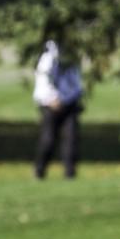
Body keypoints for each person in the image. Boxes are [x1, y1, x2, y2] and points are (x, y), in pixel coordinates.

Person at [32, 40, 84, 179]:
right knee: (48, 140)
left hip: (70, 103)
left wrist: (74, 97)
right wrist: (52, 99)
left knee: (71, 140)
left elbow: (76, 81)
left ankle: (70, 173)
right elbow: (45, 81)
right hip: (50, 105)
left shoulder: (71, 60)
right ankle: (39, 171)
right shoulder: (47, 60)